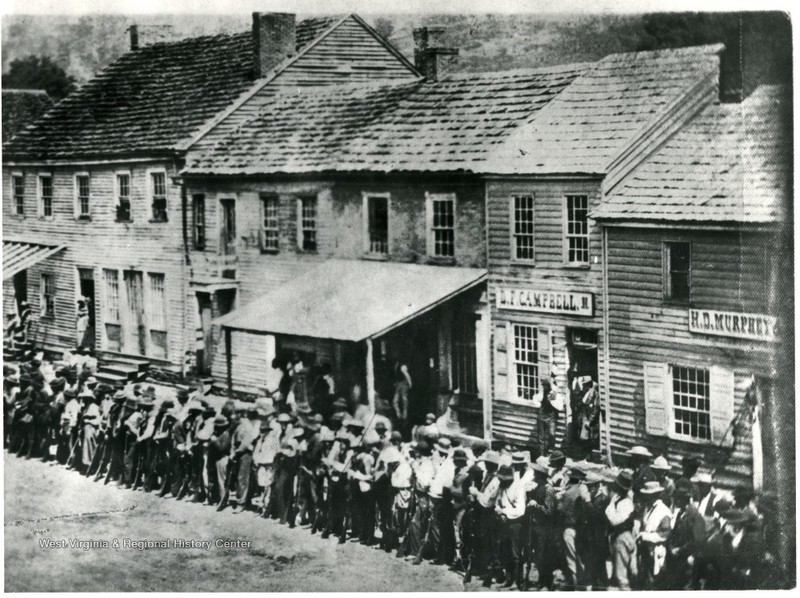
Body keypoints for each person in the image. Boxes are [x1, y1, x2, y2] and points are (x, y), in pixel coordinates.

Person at [665, 478, 706, 590]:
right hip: (677, 562)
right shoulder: (681, 514)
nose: (675, 501)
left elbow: (697, 541)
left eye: (677, 498)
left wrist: (680, 550)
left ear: (684, 500)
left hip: (688, 563)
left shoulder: (695, 517)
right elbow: (673, 534)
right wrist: (671, 547)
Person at [493, 464, 527, 589]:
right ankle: (508, 579)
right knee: (505, 551)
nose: (500, 481)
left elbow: (520, 510)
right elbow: (497, 502)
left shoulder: (518, 487)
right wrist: (499, 511)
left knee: (515, 554)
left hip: (515, 523)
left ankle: (517, 581)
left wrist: (505, 512)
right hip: (503, 522)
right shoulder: (502, 487)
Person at [528, 461, 559, 589]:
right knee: (539, 556)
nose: (534, 476)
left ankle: (547, 582)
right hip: (536, 526)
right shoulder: (538, 488)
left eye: (536, 474)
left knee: (545, 555)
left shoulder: (548, 489)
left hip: (545, 528)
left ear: (541, 475)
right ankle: (542, 580)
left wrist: (535, 505)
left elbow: (549, 511)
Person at [559, 467, 592, 589]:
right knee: (580, 557)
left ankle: (574, 582)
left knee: (571, 558)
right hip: (581, 529)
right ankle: (582, 583)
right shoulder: (582, 491)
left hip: (568, 528)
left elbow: (560, 509)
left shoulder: (566, 492)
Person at [637, 480, 672, 589]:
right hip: (646, 550)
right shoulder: (649, 508)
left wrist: (645, 536)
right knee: (645, 576)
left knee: (654, 579)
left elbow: (665, 534)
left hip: (656, 550)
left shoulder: (663, 511)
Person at [606, 471, 637, 590]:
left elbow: (614, 520)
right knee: (623, 572)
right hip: (625, 537)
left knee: (621, 576)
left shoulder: (624, 504)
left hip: (622, 538)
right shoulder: (627, 501)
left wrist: (612, 503)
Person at [537, 379, 560, 456]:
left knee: (552, 434)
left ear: (549, 386)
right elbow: (536, 400)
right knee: (541, 437)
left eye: (546, 385)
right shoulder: (541, 394)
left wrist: (552, 397)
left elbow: (557, 405)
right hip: (542, 415)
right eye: (543, 385)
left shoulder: (553, 394)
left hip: (551, 417)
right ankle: (541, 454)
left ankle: (551, 452)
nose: (544, 387)